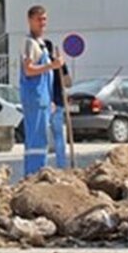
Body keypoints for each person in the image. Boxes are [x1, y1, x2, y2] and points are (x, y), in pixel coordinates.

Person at [21, 5, 63, 176]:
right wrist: (51, 65)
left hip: (43, 99)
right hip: (34, 98)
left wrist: (51, 100)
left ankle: (38, 173)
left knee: (42, 140)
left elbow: (46, 78)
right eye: (39, 19)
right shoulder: (30, 43)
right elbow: (28, 70)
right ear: (30, 20)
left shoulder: (42, 45)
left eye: (44, 19)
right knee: (36, 141)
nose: (42, 23)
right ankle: (33, 175)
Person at [45, 39, 72, 169]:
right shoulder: (60, 63)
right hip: (57, 102)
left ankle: (42, 165)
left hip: (45, 103)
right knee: (58, 136)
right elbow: (68, 83)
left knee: (42, 135)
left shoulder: (41, 64)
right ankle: (61, 164)